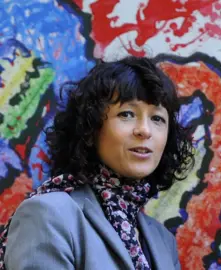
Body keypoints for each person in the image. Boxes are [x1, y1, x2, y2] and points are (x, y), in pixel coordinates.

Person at [0, 56, 194, 270]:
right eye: (127, 114)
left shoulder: (162, 240)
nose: (145, 130)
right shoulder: (47, 214)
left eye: (157, 118)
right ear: (91, 130)